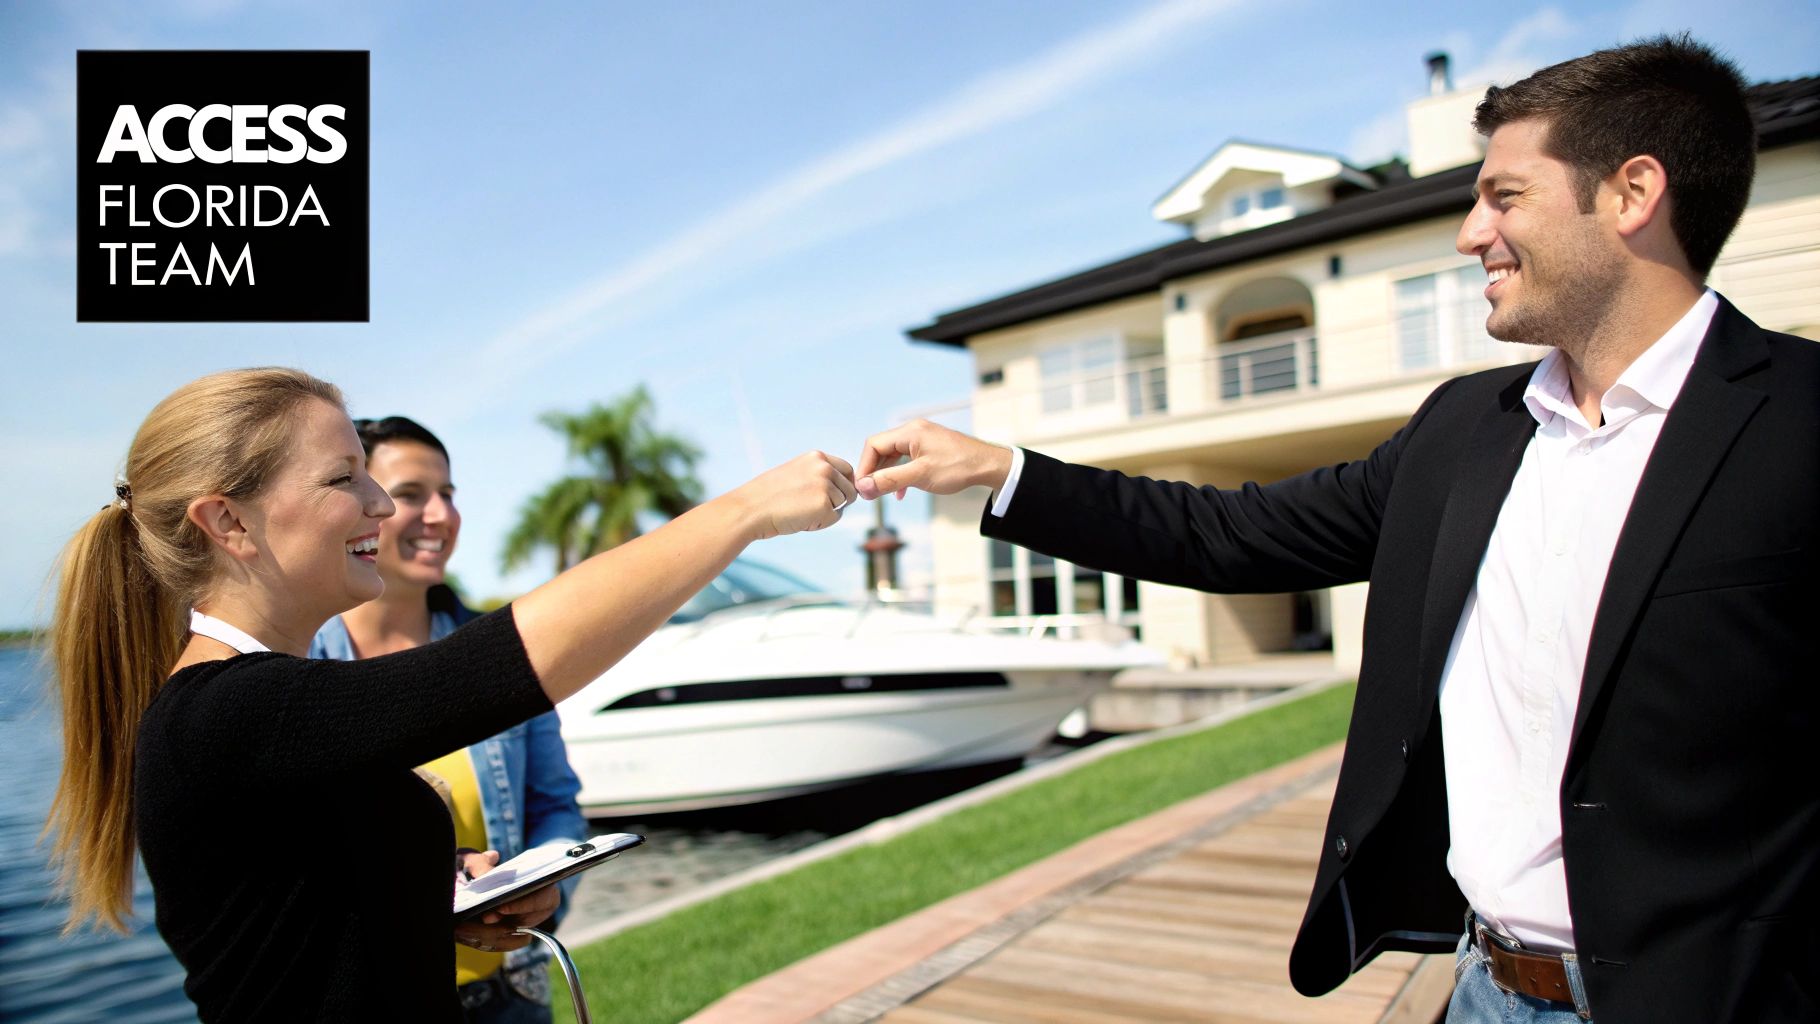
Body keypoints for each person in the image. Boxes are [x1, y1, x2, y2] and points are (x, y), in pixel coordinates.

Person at [854, 36, 1817, 1023]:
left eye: (1503, 195)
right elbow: (1223, 534)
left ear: (1630, 193)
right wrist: (996, 472)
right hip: (1481, 989)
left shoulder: (1800, 420)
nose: (1466, 233)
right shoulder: (1460, 431)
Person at [44, 367, 856, 1022]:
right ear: (227, 522)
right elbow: (503, 664)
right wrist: (744, 512)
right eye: (343, 479)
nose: (380, 505)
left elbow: (303, 912)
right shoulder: (229, 712)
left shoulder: (270, 709)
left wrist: (434, 894)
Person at [307, 415, 585, 1023]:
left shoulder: (500, 653)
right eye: (410, 495)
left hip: (507, 998)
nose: (440, 515)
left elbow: (555, 804)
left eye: (449, 495)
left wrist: (543, 883)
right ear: (359, 505)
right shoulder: (304, 669)